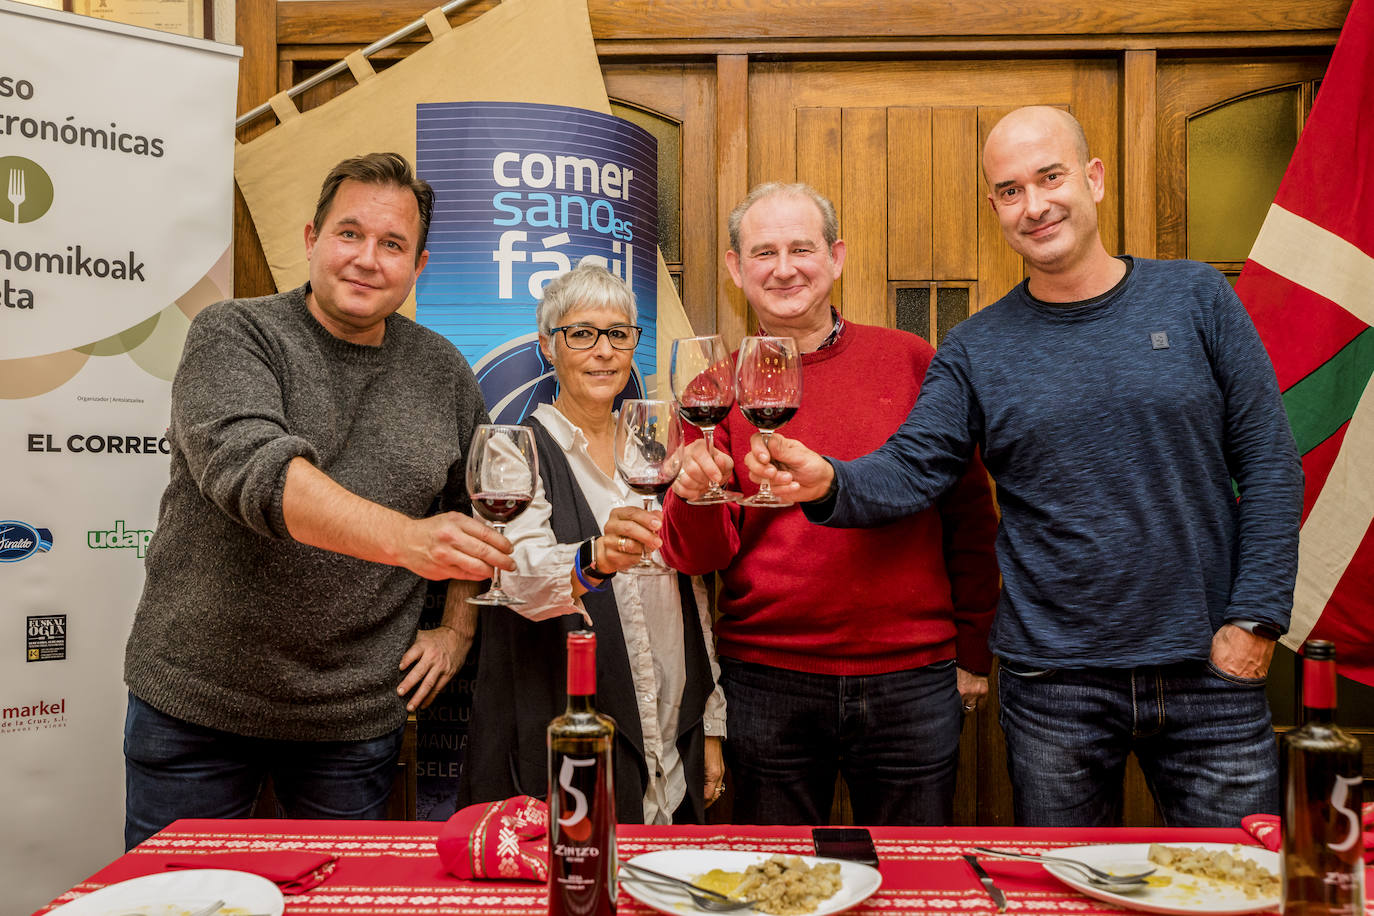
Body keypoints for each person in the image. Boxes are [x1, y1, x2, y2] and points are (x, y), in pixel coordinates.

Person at [748, 107, 1305, 827]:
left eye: (1050, 177)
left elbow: (1268, 463)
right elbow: (916, 469)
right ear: (995, 208)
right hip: (1054, 688)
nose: (1034, 205)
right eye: (1010, 190)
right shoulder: (975, 347)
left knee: (1234, 892)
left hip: (1209, 670)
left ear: (1094, 179)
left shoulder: (1197, 298)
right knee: (1062, 894)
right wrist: (831, 480)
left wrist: (1256, 619)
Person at [122, 152, 513, 849]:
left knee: (339, 901)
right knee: (171, 900)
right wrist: (408, 540)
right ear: (310, 240)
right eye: (349, 234)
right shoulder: (233, 333)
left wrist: (457, 629)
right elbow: (258, 475)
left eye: (393, 245)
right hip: (198, 707)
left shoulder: (443, 371)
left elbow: (477, 511)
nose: (367, 259)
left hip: (352, 722)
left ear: (418, 267)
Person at [659, 182, 1000, 826]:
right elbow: (698, 556)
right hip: (767, 681)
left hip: (914, 676)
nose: (784, 268)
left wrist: (974, 650)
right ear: (736, 268)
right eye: (763, 252)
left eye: (801, 248)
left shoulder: (911, 361)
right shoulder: (711, 389)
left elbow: (970, 515)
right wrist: (698, 496)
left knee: (911, 876)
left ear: (836, 257)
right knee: (775, 881)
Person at [458, 262, 727, 824]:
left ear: (633, 346)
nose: (602, 350)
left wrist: (711, 722)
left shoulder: (655, 454)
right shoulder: (518, 448)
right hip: (569, 731)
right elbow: (520, 578)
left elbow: (693, 593)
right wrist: (595, 557)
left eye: (618, 334)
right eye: (581, 333)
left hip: (671, 727)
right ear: (547, 346)